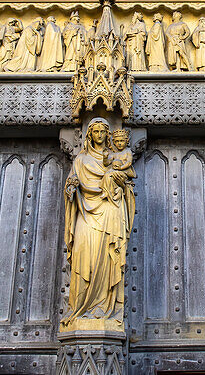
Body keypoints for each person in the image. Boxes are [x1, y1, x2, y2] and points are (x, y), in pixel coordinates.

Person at [62, 118, 134, 326]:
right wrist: (71, 190)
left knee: (107, 260)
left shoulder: (114, 158)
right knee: (85, 257)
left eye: (104, 131)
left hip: (110, 210)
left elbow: (127, 180)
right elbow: (72, 188)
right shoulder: (81, 160)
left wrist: (117, 181)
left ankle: (106, 310)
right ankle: (81, 308)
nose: (100, 135)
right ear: (89, 135)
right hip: (86, 212)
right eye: (96, 132)